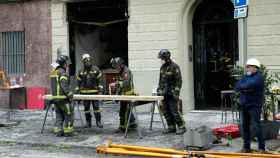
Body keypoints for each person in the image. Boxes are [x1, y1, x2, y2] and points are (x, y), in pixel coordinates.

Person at [235, 58, 266, 153]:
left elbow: (249, 85)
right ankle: (246, 147)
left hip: (254, 105)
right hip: (245, 104)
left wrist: (244, 88)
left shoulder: (259, 77)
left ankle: (261, 148)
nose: (247, 69)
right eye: (247, 67)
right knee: (245, 126)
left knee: (257, 126)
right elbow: (237, 86)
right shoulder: (245, 77)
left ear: (255, 68)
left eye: (249, 67)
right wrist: (245, 88)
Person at [157, 49, 186, 135]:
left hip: (172, 93)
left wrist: (176, 93)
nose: (160, 60)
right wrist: (159, 90)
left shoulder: (175, 67)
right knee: (165, 111)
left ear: (166, 58)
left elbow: (179, 81)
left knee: (174, 111)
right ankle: (171, 127)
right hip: (164, 93)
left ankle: (182, 127)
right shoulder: (162, 68)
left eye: (161, 58)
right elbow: (160, 80)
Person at [109, 57, 137, 133]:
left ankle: (123, 128)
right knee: (127, 111)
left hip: (128, 96)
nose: (116, 68)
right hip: (123, 95)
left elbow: (126, 83)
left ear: (120, 65)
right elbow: (120, 85)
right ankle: (133, 124)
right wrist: (117, 95)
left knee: (123, 112)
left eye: (116, 66)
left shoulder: (126, 71)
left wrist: (116, 84)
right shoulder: (121, 71)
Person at [76, 54, 103, 128]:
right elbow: (78, 82)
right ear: (83, 62)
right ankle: (88, 122)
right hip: (85, 93)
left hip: (94, 93)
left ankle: (98, 122)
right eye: (86, 61)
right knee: (86, 109)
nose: (87, 62)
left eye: (88, 60)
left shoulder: (96, 69)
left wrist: (100, 91)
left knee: (96, 108)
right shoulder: (81, 71)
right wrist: (77, 93)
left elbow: (100, 81)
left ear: (90, 60)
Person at [49, 55, 74, 137]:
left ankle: (58, 131)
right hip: (63, 99)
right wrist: (70, 95)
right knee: (69, 114)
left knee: (59, 115)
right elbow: (64, 86)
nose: (67, 65)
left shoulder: (53, 72)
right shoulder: (63, 73)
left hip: (55, 99)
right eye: (66, 63)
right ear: (63, 64)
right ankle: (68, 132)